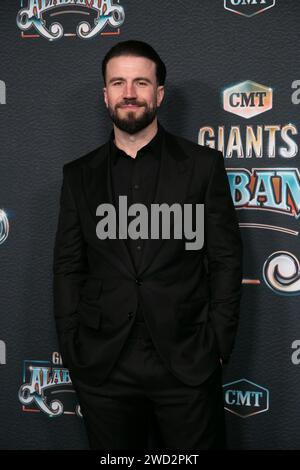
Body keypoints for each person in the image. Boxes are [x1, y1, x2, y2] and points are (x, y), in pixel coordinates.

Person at [52, 40, 243, 450]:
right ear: (105, 94)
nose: (129, 92)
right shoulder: (78, 176)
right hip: (104, 366)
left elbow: (225, 259)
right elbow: (68, 266)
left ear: (159, 94)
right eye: (117, 82)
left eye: (141, 82)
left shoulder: (203, 166)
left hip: (186, 361)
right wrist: (71, 345)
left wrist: (217, 345)